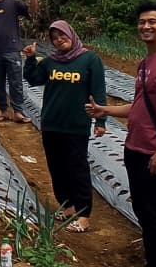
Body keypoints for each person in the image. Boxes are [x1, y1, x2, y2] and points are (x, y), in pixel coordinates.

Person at [86, 2, 156, 267]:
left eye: (152, 22)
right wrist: (104, 110)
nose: (145, 26)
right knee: (143, 210)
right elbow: (139, 106)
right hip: (135, 147)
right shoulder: (145, 62)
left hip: (154, 151)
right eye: (142, 22)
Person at [22, 20, 107, 233]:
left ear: (71, 34)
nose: (59, 40)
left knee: (77, 169)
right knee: (57, 168)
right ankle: (67, 208)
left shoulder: (90, 59)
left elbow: (98, 90)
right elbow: (33, 79)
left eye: (62, 35)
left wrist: (100, 121)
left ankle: (83, 215)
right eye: (54, 38)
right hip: (52, 124)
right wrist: (30, 59)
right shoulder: (51, 62)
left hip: (76, 125)